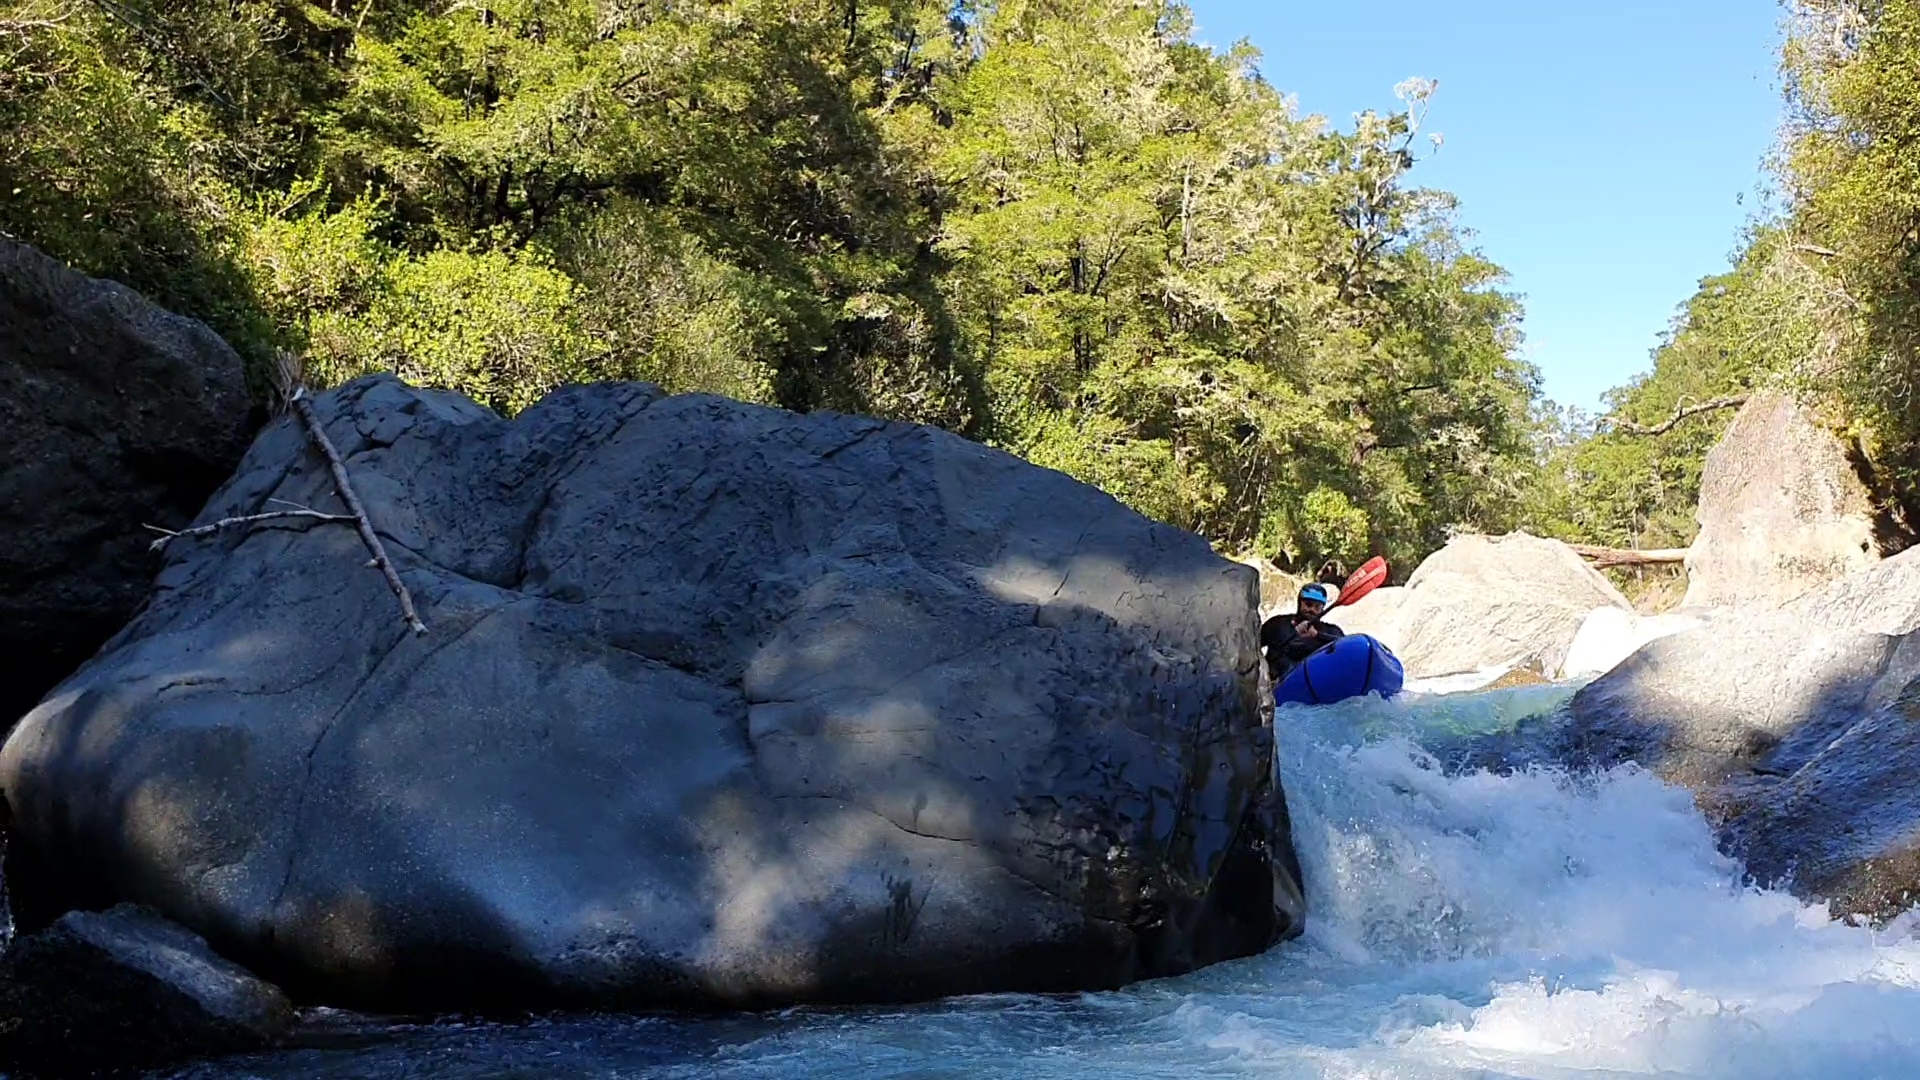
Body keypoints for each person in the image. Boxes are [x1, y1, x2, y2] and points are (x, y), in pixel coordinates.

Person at [1260, 582, 1346, 683]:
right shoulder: (1277, 624)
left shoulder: (1331, 630)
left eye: (1317, 607)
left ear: (1323, 608)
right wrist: (1294, 632)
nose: (1312, 610)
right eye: (1308, 605)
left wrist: (1317, 635)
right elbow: (1252, 645)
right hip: (1275, 683)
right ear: (1299, 603)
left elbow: (1345, 648)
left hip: (1311, 684)